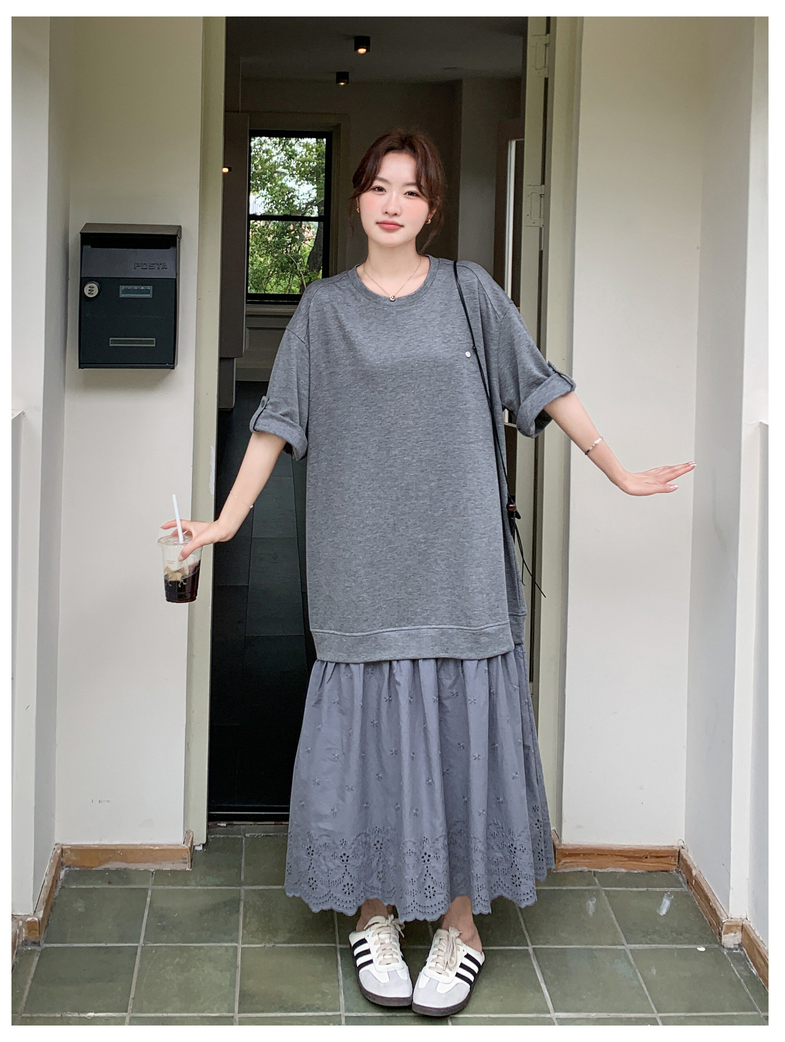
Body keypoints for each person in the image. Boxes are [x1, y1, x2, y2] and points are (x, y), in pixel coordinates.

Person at [162, 128, 696, 1018]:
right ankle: (374, 913)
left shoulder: (468, 291)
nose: (392, 203)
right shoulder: (323, 310)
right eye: (379, 186)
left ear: (432, 208)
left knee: (458, 736)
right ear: (357, 199)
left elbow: (541, 384)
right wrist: (223, 522)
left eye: (411, 190)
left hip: (460, 563)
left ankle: (460, 924)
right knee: (370, 741)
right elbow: (278, 422)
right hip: (360, 564)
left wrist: (618, 469)